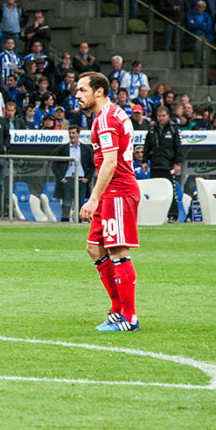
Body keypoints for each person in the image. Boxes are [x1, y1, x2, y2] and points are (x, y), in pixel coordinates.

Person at [76, 71, 142, 332]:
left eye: (82, 90)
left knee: (117, 251)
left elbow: (111, 162)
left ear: (99, 91)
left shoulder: (106, 119)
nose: (78, 95)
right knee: (95, 248)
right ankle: (117, 310)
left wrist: (93, 198)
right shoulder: (110, 115)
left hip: (118, 191)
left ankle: (129, 317)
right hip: (111, 192)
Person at [142, 106, 183, 223]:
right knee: (154, 192)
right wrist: (145, 161)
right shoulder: (151, 129)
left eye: (163, 116)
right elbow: (146, 146)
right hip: (155, 164)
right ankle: (155, 215)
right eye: (159, 116)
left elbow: (178, 147)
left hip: (168, 165)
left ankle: (173, 215)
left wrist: (177, 163)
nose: (161, 118)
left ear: (168, 116)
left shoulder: (174, 129)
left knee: (171, 191)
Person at [50, 125, 94, 222]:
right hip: (68, 180)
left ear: (78, 134)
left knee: (80, 205)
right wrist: (62, 178)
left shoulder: (86, 148)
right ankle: (64, 224)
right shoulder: (62, 148)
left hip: (81, 180)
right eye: (70, 133)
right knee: (66, 205)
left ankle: (79, 223)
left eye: (74, 133)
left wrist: (87, 179)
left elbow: (92, 165)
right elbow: (55, 165)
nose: (71, 135)